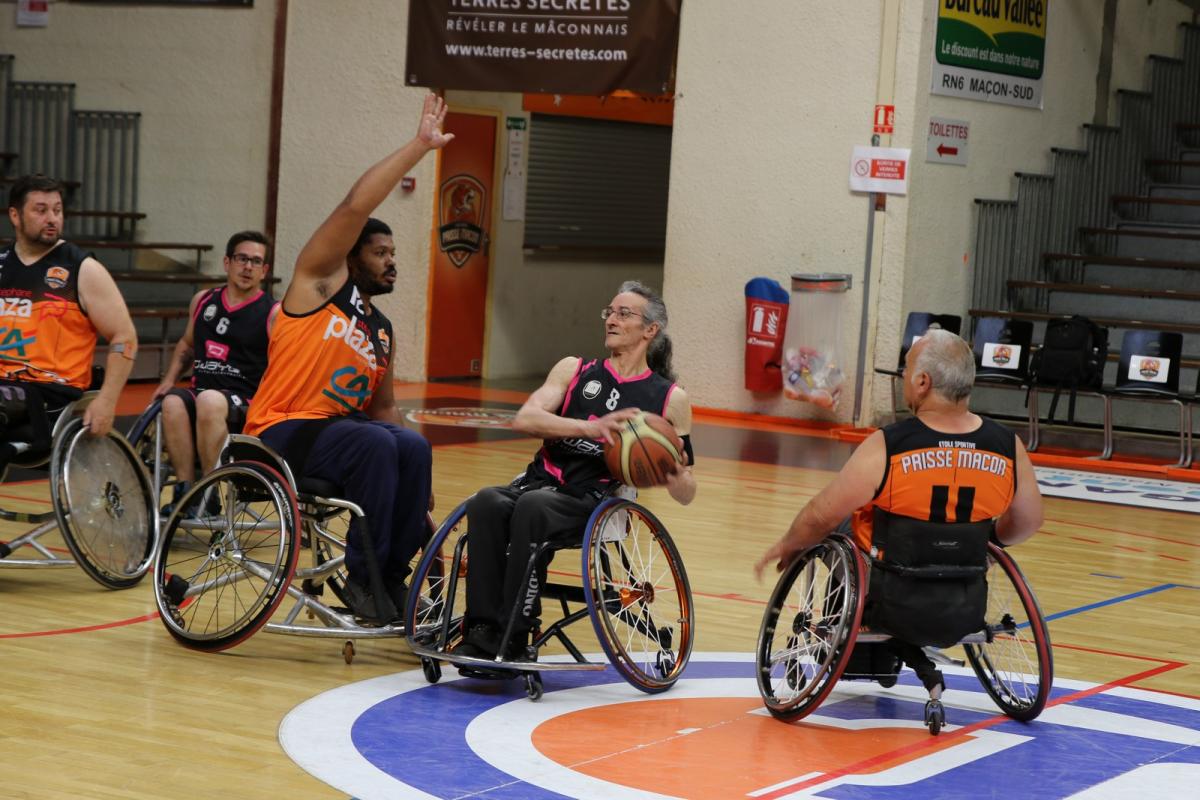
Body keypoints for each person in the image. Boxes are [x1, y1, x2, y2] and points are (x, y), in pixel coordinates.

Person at [242, 94, 453, 625]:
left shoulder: (380, 332)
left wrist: (420, 495)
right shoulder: (317, 284)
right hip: (280, 431)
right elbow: (354, 206)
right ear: (352, 255)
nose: (392, 263)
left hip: (342, 438)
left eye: (394, 255)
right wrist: (419, 147)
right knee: (374, 443)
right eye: (381, 253)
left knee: (408, 445)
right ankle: (363, 578)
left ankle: (392, 574)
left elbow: (385, 410)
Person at [755, 328, 1043, 692]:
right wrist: (989, 539)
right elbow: (1030, 521)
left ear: (922, 382)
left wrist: (789, 544)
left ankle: (840, 639)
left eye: (906, 371)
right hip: (964, 602)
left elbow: (820, 514)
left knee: (832, 526)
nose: (906, 378)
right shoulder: (1007, 445)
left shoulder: (891, 444)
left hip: (891, 597)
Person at [457, 281, 698, 661]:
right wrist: (590, 428)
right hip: (540, 481)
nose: (612, 320)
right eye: (609, 312)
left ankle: (516, 634)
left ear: (650, 330)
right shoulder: (575, 369)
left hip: (594, 499)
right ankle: (482, 627)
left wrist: (673, 473)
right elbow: (527, 418)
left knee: (534, 508)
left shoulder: (670, 398)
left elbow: (687, 493)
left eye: (624, 313)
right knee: (487, 501)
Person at [0, 174, 138, 468]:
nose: (51, 218)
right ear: (15, 215)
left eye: (57, 210)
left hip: (48, 394)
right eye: (41, 210)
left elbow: (124, 337)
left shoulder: (82, 269)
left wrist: (107, 402)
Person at [152, 231, 277, 506]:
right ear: (227, 262)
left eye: (256, 262)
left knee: (209, 400)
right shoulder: (203, 301)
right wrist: (169, 379)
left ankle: (209, 491)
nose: (247, 267)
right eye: (242, 258)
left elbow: (284, 365)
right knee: (172, 402)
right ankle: (188, 492)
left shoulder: (273, 313)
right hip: (203, 391)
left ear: (264, 271)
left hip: (246, 400)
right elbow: (186, 345)